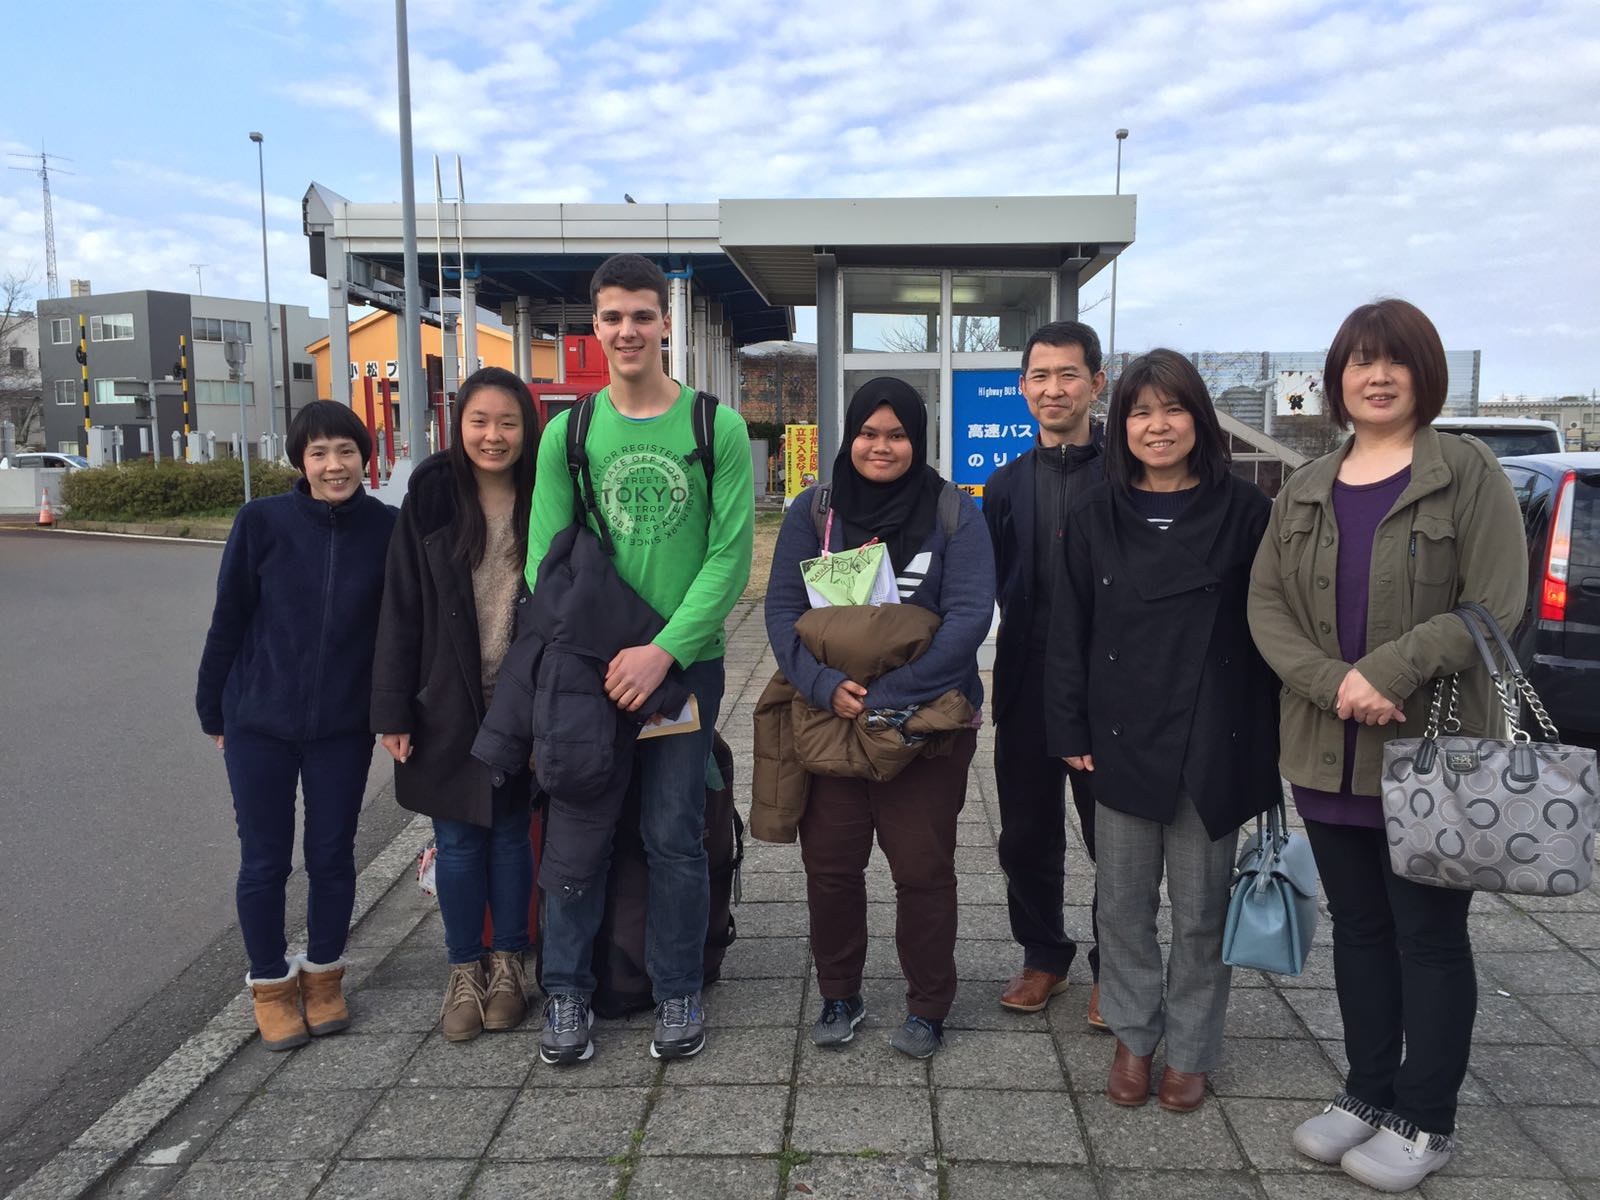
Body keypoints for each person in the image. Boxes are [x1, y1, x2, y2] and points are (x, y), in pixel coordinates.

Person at [1247, 299, 1526, 1191]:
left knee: (1429, 936)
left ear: (1423, 375)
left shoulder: (1469, 473)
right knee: (1360, 930)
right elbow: (1267, 607)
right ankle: (1367, 1092)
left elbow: (1494, 606)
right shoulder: (1306, 483)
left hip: (1432, 753)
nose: (1376, 376)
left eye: (1394, 361)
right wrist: (1335, 685)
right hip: (1327, 749)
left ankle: (1426, 1118)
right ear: (1336, 380)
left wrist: (1391, 671)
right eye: (1360, 361)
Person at [527, 253, 754, 1063]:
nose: (628, 330)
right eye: (612, 316)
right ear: (595, 326)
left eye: (642, 315)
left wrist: (660, 652)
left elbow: (729, 559)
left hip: (682, 673)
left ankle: (679, 985)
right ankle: (565, 993)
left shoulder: (713, 426)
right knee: (577, 837)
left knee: (672, 834)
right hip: (589, 676)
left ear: (668, 324)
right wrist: (609, 657)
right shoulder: (571, 433)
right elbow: (543, 567)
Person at [1045, 349, 1279, 1112]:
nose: (1157, 425)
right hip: (1119, 735)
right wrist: (1069, 725)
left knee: (1204, 912)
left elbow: (1271, 629)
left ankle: (1195, 1048)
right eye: (1142, 411)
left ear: (1198, 420)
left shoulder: (1248, 513)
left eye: (1173, 409)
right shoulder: (1094, 514)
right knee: (1123, 907)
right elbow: (1069, 630)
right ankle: (1135, 1037)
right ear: (1124, 426)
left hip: (1215, 738)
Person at [764, 377, 996, 1058]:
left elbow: (970, 616)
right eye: (869, 432)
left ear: (917, 441)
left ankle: (928, 1005)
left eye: (897, 435)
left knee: (923, 870)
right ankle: (840, 991)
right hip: (828, 718)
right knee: (831, 867)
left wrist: (896, 694)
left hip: (925, 727)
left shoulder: (954, 512)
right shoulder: (816, 510)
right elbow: (781, 612)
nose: (881, 446)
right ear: (850, 436)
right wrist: (824, 683)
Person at [195, 400, 396, 1050]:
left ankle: (325, 976)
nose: (334, 465)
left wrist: (394, 709)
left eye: (345, 451)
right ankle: (271, 985)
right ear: (300, 461)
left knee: (333, 855)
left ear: (365, 456)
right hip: (258, 720)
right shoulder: (262, 522)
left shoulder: (386, 528)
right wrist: (212, 707)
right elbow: (229, 617)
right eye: (319, 453)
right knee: (264, 862)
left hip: (342, 724)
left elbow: (399, 631)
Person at [372, 367, 540, 1042]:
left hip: (521, 695)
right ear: (458, 424)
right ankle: (464, 971)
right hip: (446, 696)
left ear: (527, 427)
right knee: (457, 840)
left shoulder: (547, 492)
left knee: (509, 834)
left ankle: (510, 966)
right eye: (480, 421)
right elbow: (401, 602)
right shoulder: (433, 495)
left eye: (507, 422)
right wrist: (391, 707)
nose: (493, 436)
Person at [983, 320, 1108, 1023]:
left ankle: (1113, 966)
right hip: (1026, 681)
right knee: (1025, 833)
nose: (1052, 388)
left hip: (1108, 689)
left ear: (1097, 382)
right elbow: (992, 587)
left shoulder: (1127, 475)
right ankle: (1042, 956)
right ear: (1024, 387)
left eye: (1068, 374)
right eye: (1039, 376)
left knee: (1112, 838)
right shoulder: (1003, 486)